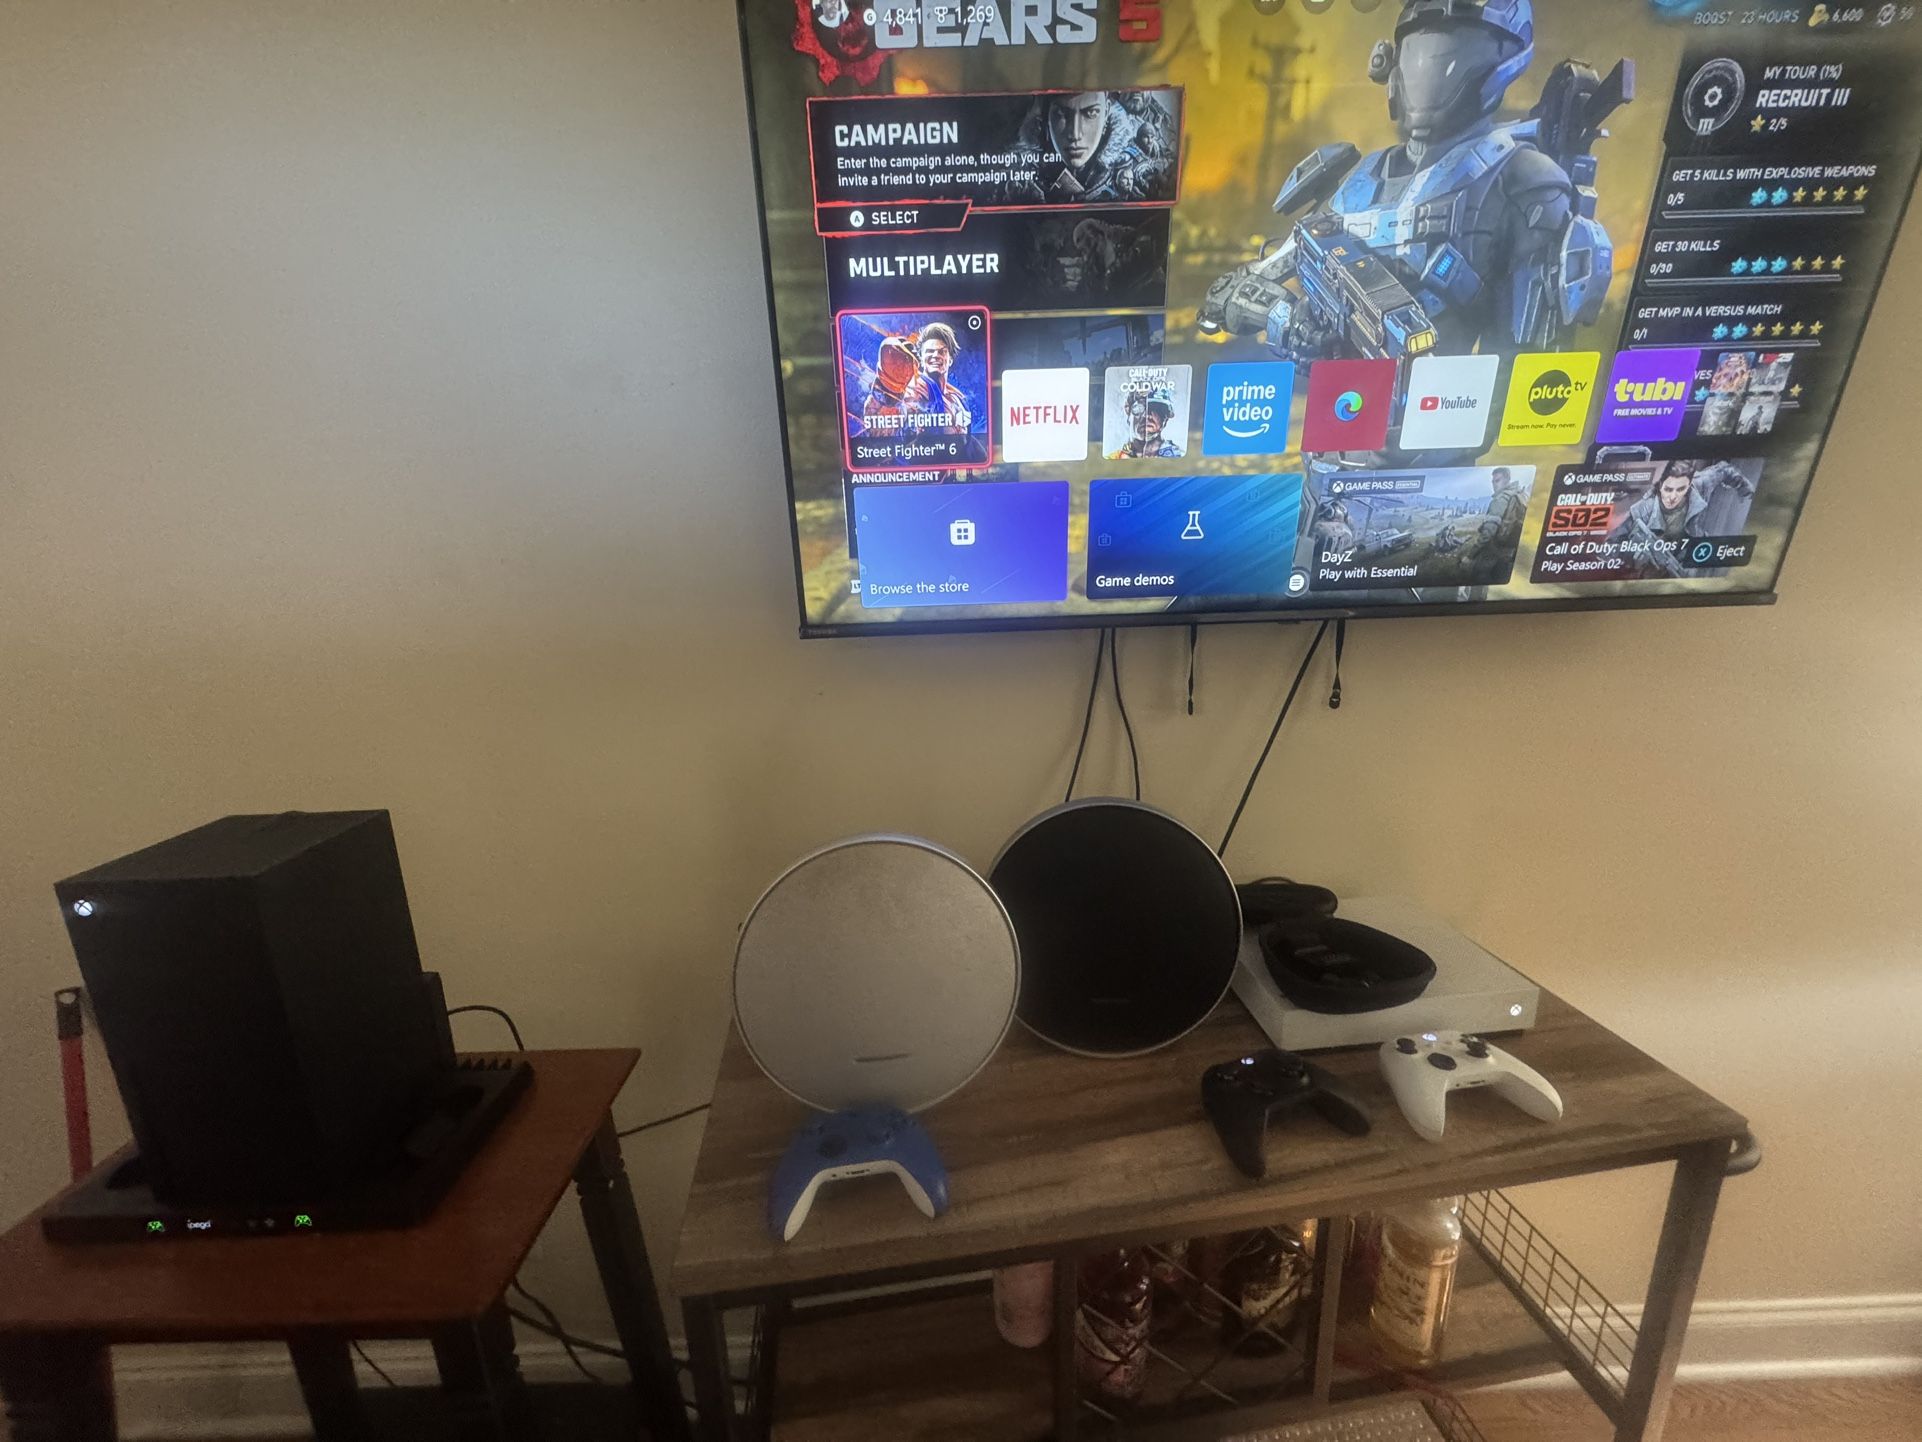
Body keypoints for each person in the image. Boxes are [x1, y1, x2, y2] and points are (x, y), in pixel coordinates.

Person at [1005, 91, 1175, 205]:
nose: (1075, 134)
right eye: (1062, 114)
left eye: (1091, 113)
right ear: (1045, 116)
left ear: (1106, 112)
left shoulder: (1131, 162)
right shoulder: (1018, 169)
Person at [1105, 384, 1183, 459]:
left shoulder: (1178, 456)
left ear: (1165, 418)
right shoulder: (1113, 458)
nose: (1146, 415)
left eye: (1156, 408)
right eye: (1139, 408)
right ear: (1128, 412)